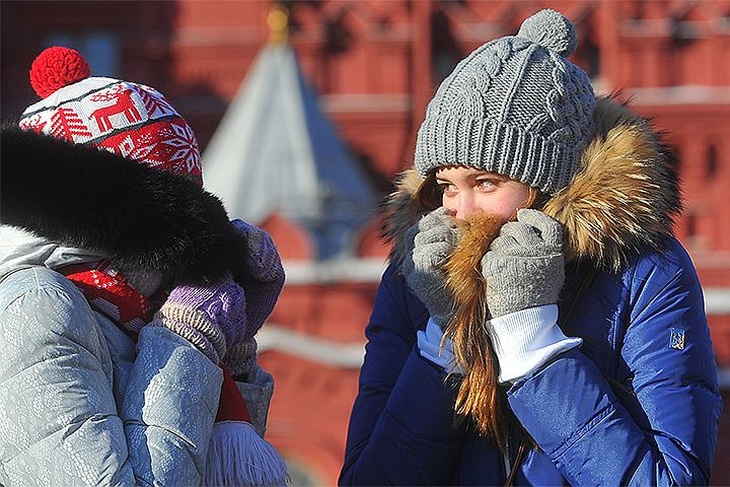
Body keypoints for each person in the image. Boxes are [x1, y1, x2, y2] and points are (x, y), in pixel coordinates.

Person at [340, 9, 722, 486]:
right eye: (447, 186)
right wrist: (446, 340)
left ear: (548, 181)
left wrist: (532, 344)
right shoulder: (415, 278)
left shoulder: (644, 274)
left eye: (485, 182)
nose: (460, 211)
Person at [0, 46, 287, 486]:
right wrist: (186, 342)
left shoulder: (131, 310)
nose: (189, 253)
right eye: (181, 218)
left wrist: (231, 356)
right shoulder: (38, 305)